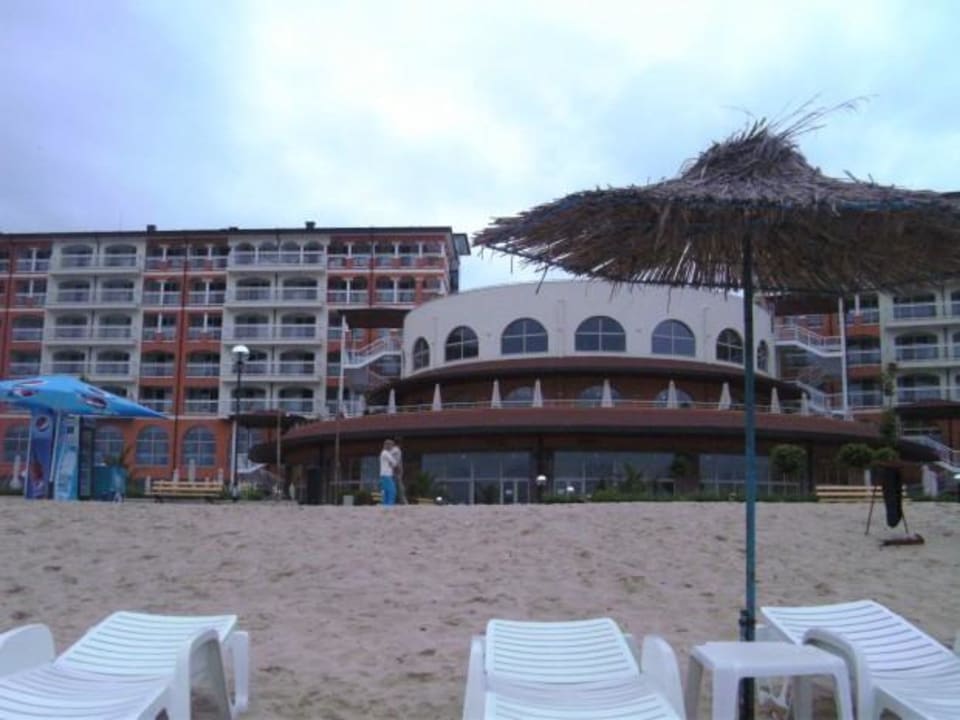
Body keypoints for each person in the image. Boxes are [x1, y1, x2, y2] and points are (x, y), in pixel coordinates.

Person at [378, 439, 398, 506]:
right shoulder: (385, 453)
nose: (392, 447)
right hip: (386, 475)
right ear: (387, 445)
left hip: (384, 475)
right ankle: (389, 505)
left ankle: (385, 505)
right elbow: (394, 463)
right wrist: (394, 456)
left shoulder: (384, 453)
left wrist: (392, 463)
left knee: (385, 491)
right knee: (392, 491)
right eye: (391, 445)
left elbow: (393, 464)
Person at [390, 439, 407, 505]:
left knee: (395, 486)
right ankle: (403, 501)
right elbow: (397, 460)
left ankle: (393, 500)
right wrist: (397, 468)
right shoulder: (397, 450)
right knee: (399, 486)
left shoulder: (392, 450)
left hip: (392, 470)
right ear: (400, 444)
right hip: (396, 470)